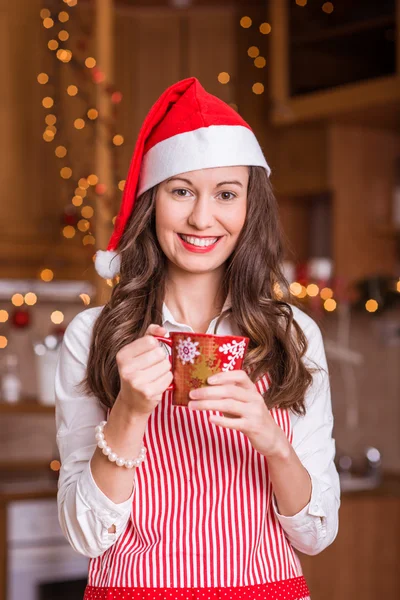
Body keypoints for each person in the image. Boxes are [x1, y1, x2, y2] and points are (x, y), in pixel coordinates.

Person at [55, 77, 340, 600]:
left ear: (249, 207)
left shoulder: (293, 335)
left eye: (226, 194)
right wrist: (130, 412)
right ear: (151, 201)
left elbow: (316, 535)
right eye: (181, 190)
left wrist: (271, 440)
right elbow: (85, 536)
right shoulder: (95, 334)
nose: (201, 218)